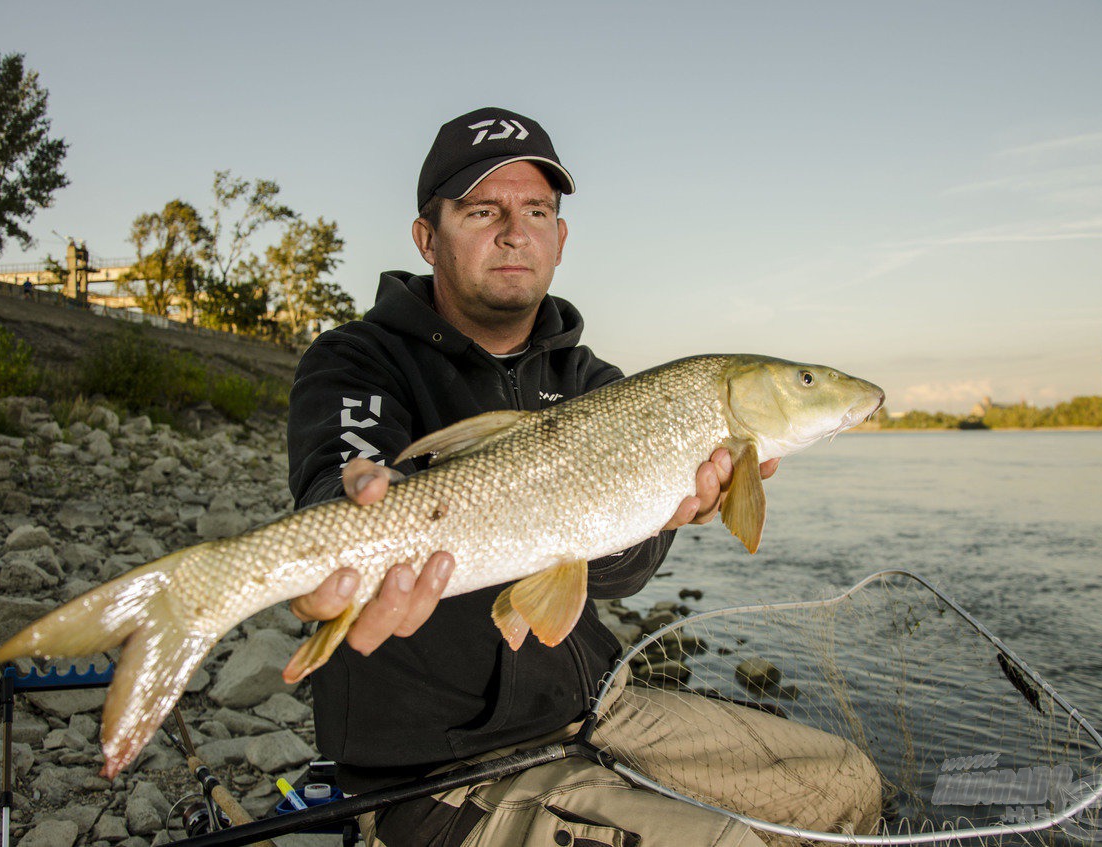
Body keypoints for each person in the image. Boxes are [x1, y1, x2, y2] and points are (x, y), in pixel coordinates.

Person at [286, 107, 879, 846]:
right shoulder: (358, 359)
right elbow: (343, 475)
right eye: (481, 210)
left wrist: (663, 515)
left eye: (537, 210)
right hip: (439, 767)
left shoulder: (597, 382)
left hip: (594, 709)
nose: (515, 230)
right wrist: (340, 526)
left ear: (560, 238)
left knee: (847, 784)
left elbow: (619, 573)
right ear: (427, 237)